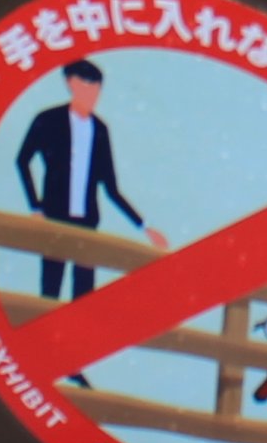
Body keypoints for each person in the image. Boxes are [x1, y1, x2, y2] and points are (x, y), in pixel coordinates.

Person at [15, 59, 168, 301]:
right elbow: (23, 160)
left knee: (84, 297)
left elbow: (111, 188)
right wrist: (35, 206)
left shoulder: (100, 130)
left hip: (88, 223)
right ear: (71, 84)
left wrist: (144, 226)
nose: (92, 93)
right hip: (54, 218)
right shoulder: (48, 119)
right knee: (49, 292)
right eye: (86, 85)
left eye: (96, 87)